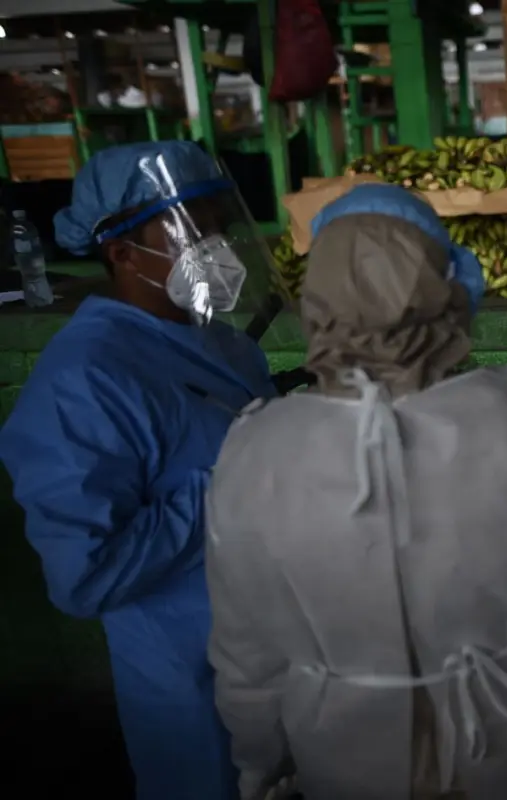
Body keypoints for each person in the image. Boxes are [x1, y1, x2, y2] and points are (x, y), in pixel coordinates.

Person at [203, 182, 507, 800]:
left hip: (351, 760)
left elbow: (247, 658)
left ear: (316, 303)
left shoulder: (253, 452)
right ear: (449, 290)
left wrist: (258, 761)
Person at [0, 141, 277, 799]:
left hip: (276, 654)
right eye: (191, 229)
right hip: (193, 681)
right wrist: (233, 480)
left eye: (217, 224)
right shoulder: (84, 381)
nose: (214, 245)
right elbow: (85, 575)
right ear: (121, 252)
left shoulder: (222, 342)